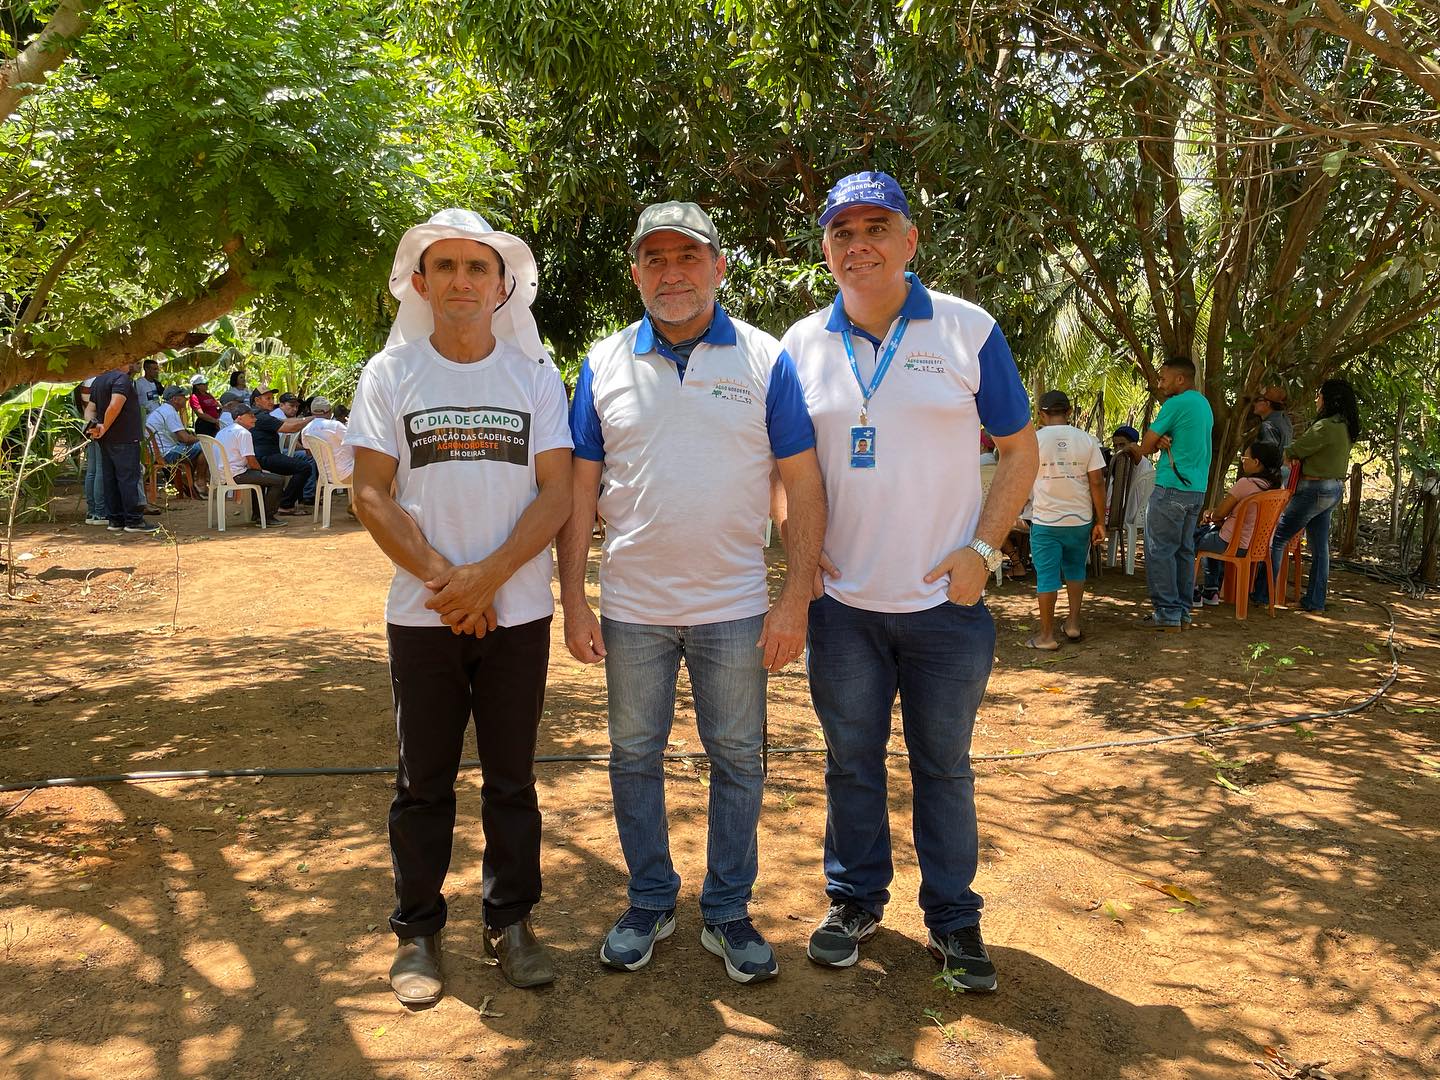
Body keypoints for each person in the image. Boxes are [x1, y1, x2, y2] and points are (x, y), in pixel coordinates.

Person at [778, 171, 1037, 991]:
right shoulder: (798, 345)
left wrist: (984, 551)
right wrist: (797, 539)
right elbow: (783, 465)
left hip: (943, 607)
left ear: (910, 240)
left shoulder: (966, 329)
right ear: (826, 250)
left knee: (943, 768)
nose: (860, 245)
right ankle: (854, 901)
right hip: (843, 607)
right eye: (842, 232)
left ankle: (955, 922)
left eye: (876, 227)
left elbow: (1020, 448)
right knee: (850, 762)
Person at [556, 201, 824, 986]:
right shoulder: (602, 363)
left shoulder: (767, 360)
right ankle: (649, 900)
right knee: (633, 757)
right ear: (636, 272)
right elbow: (578, 490)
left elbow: (803, 485)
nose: (671, 273)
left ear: (719, 267)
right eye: (655, 259)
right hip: (632, 607)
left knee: (739, 758)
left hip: (735, 605)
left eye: (688, 256)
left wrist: (794, 597)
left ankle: (729, 912)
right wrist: (574, 597)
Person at [346, 208, 573, 1004]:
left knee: (511, 780)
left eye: (477, 268)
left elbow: (558, 492)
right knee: (422, 782)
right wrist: (450, 582)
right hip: (423, 616)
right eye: (445, 267)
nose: (462, 282)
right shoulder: (390, 375)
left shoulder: (534, 377)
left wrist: (491, 577)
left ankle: (510, 923)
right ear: (420, 282)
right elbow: (369, 491)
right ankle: (417, 933)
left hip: (516, 615)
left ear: (503, 285)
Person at [1120, 357, 1213, 630]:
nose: (1159, 384)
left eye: (1163, 378)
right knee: (1184, 551)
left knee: (1159, 550)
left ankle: (1167, 612)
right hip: (1196, 489)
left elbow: (1145, 445)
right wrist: (1162, 439)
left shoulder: (1176, 404)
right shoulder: (1203, 404)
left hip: (1172, 487)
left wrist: (1156, 439)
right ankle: (1182, 611)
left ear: (1180, 379)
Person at [1264, 378, 1359, 613]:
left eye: (1320, 395)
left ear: (1328, 399)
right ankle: (1315, 600)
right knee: (1320, 547)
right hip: (1333, 489)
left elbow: (1293, 450)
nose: (1317, 399)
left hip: (1314, 490)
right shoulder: (1344, 426)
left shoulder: (1325, 426)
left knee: (1277, 537)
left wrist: (1291, 457)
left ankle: (1263, 593)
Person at [1025, 390, 1106, 650]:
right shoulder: (1087, 440)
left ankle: (1046, 636)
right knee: (1075, 569)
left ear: (1041, 414)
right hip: (1079, 520)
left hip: (1046, 520)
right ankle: (1072, 624)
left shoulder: (1033, 441)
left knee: (1047, 575)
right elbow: (1097, 481)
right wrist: (1100, 521)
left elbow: (1021, 479)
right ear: (1069, 412)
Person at [1194, 441, 1283, 605]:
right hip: (1258, 547)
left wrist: (1210, 513)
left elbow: (1220, 513)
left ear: (1256, 462)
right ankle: (1211, 591)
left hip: (1232, 543)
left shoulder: (1246, 484)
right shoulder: (1278, 488)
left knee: (1190, 540)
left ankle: (1190, 590)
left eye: (1244, 458)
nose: (1243, 461)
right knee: (1210, 536)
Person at [84, 362, 160, 534]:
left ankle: (115, 519)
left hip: (106, 439)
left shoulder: (99, 380)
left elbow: (90, 409)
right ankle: (133, 520)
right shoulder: (122, 380)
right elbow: (115, 405)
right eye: (130, 360)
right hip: (125, 438)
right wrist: (103, 426)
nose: (133, 364)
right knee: (128, 479)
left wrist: (93, 426)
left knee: (110, 479)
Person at [213, 404, 287, 524]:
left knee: (260, 478)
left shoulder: (223, 431)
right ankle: (267, 517)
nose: (255, 419)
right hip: (235, 474)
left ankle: (258, 515)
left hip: (221, 474)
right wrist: (260, 472)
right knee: (278, 480)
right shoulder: (243, 433)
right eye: (251, 416)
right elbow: (251, 460)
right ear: (239, 418)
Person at [246, 386, 315, 513]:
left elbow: (286, 421)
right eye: (268, 398)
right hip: (265, 458)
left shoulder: (257, 414)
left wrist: (306, 418)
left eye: (272, 398)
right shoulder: (261, 417)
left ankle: (285, 503)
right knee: (304, 467)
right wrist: (313, 417)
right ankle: (286, 504)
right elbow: (291, 428)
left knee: (301, 465)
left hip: (266, 456)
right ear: (257, 400)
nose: (272, 401)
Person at [146, 386, 208, 491]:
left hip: (156, 452)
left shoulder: (163, 410)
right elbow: (185, 439)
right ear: (175, 399)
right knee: (205, 446)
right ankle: (199, 482)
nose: (186, 399)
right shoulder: (170, 412)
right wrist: (201, 439)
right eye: (183, 396)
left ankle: (189, 480)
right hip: (165, 453)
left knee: (195, 449)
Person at [75, 377, 109, 525]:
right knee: (100, 470)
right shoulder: (97, 381)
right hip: (98, 427)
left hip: (89, 425)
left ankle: (93, 511)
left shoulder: (84, 381)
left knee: (92, 470)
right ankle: (100, 512)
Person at [303, 396, 352, 480]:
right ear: (330, 411)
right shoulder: (335, 426)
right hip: (346, 474)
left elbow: (309, 453)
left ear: (311, 412)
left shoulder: (306, 430)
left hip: (325, 476)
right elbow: (354, 441)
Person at [1252, 385, 1293, 454]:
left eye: (1258, 400)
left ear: (1268, 403)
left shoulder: (1269, 426)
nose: (1254, 404)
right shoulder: (1285, 420)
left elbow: (1268, 456)